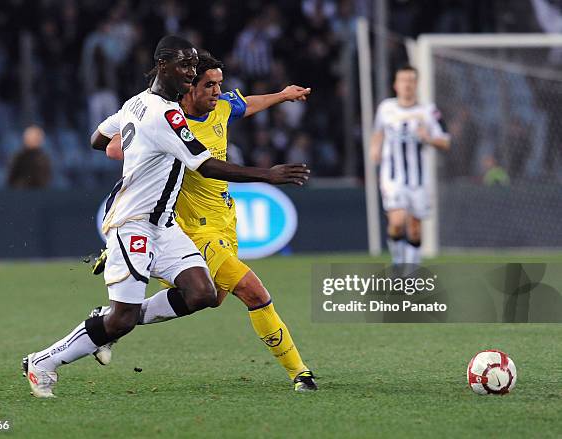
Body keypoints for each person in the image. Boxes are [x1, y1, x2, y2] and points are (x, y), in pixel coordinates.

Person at [22, 36, 309, 398]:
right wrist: (268, 175)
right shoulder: (166, 114)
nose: (190, 74)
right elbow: (203, 164)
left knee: (203, 292)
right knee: (121, 320)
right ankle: (43, 361)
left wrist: (135, 148)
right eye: (185, 67)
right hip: (133, 221)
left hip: (165, 225)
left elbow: (98, 138)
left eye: (193, 67)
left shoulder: (135, 104)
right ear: (163, 66)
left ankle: (102, 325)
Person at [92, 50, 318, 392]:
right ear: (188, 89)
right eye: (209, 85)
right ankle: (299, 372)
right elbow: (112, 145)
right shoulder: (170, 120)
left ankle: (110, 323)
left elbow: (248, 104)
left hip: (224, 223)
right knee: (254, 293)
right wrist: (135, 149)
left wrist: (284, 95)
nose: (216, 91)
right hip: (193, 229)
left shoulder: (222, 108)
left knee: (213, 298)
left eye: (219, 84)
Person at [370, 65, 450, 266]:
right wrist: (375, 148)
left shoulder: (428, 111)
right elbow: (378, 132)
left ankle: (412, 269)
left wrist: (428, 138)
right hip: (393, 176)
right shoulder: (386, 108)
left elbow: (446, 141)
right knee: (397, 222)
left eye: (411, 80)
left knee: (414, 228)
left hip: (419, 178)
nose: (407, 84)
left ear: (416, 84)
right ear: (396, 85)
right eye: (403, 80)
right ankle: (398, 261)